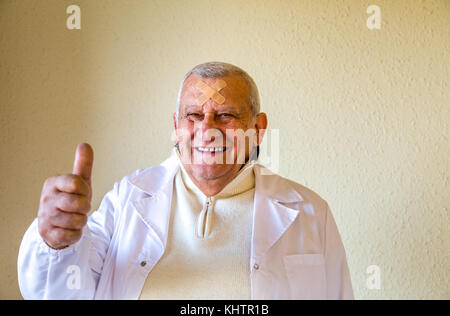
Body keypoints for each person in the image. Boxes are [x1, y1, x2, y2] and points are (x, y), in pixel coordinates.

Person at [18, 62, 354, 299]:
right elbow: (57, 294)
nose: (207, 129)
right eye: (194, 115)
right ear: (177, 127)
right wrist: (55, 243)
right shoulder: (128, 200)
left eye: (226, 115)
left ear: (258, 127)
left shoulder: (310, 212)